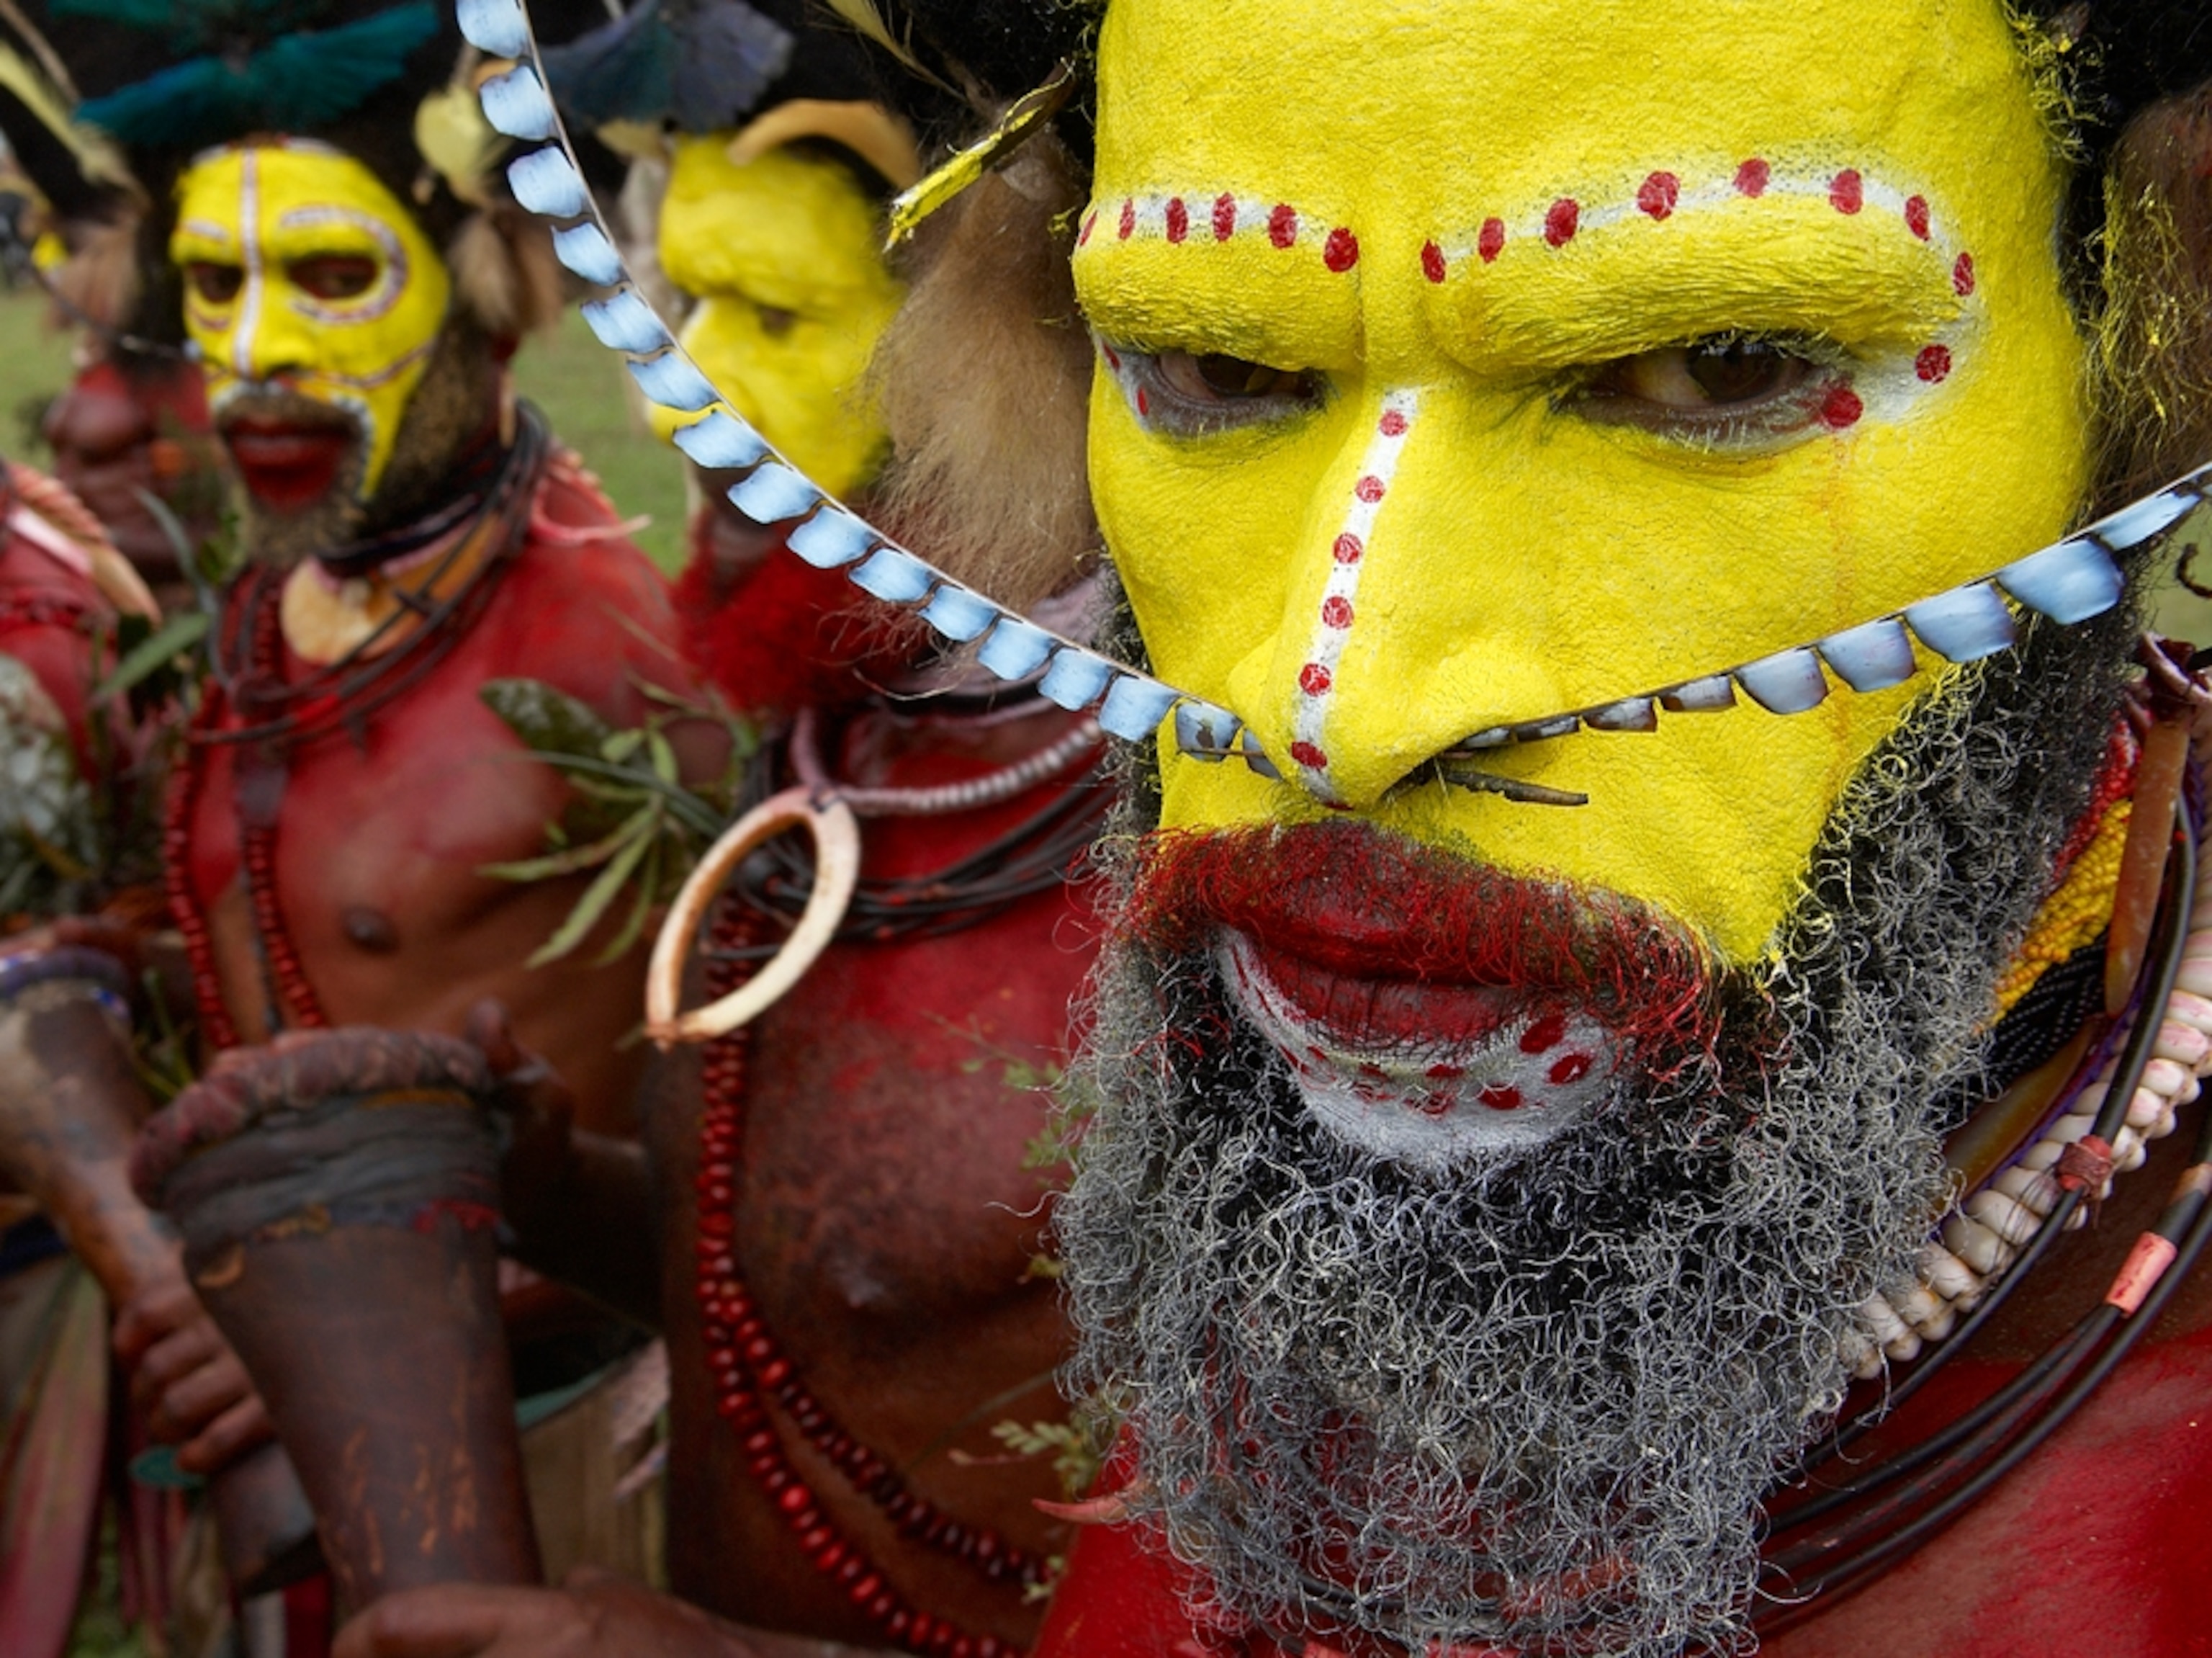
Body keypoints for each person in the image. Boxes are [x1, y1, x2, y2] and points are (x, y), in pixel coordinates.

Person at [411, 0, 2212, 1652]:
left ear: (2137, 368)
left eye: (1718, 363)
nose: (1334, 713)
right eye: (1212, 368)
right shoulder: (1274, 1303)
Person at [343, 5, 1107, 1652]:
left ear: (1023, 343)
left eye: (774, 311)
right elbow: (822, 1312)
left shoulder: (1203, 875)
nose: (682, 396)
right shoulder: (837, 750)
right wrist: (555, 1184)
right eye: (680, 301)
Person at [0, 0, 714, 1639]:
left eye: (332, 276)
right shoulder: (287, 600)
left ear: (481, 289)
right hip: (282, 1430)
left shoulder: (612, 668)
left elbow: (720, 1189)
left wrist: (311, 1317)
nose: (256, 353)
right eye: (216, 284)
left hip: (539, 1471)